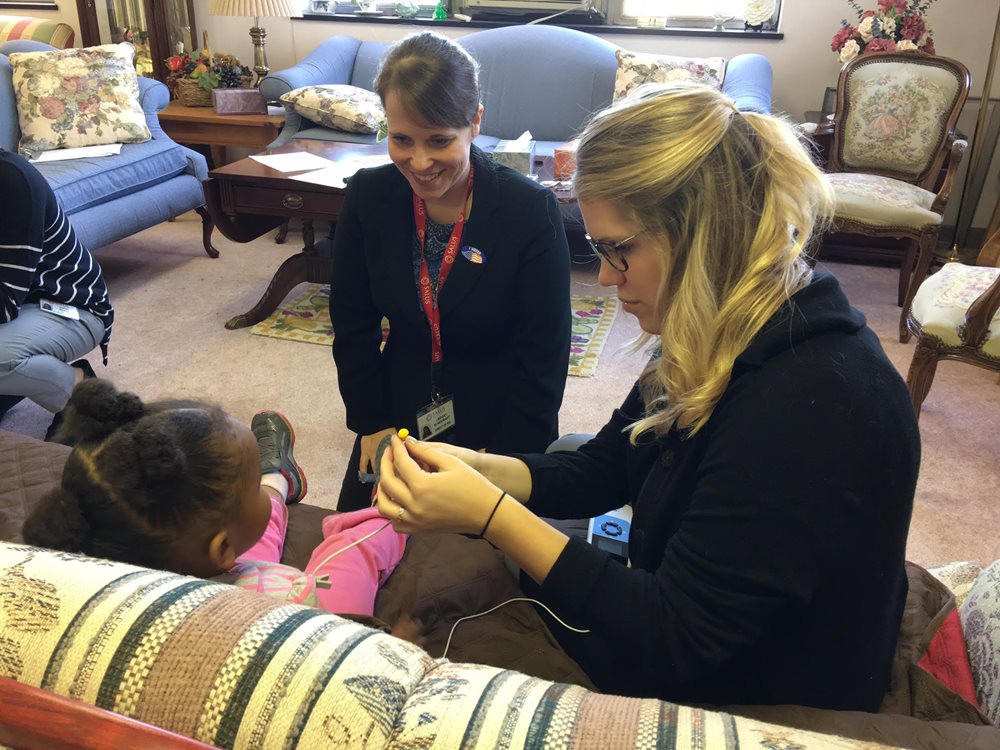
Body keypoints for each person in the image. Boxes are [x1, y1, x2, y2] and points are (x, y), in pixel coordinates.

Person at [373, 83, 921, 711]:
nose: (605, 277)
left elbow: (676, 638)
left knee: (437, 647)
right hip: (706, 634)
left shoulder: (811, 400)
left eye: (618, 250)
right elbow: (607, 464)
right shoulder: (727, 322)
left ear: (702, 234)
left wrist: (491, 515)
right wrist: (481, 468)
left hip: (766, 696)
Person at [329, 31, 571, 511]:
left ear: (475, 122)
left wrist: (502, 459)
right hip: (398, 409)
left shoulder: (529, 211)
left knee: (481, 570)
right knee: (353, 547)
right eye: (401, 139)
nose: (419, 162)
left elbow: (544, 357)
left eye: (440, 141)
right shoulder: (367, 197)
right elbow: (352, 324)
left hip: (500, 420)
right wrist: (371, 421)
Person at [22, 380, 408, 617]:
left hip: (218, 572)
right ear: (222, 551)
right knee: (352, 552)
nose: (249, 488)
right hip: (273, 601)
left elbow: (229, 537)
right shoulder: (305, 608)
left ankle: (277, 479)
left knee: (250, 534)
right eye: (252, 484)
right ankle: (391, 502)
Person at [0, 149, 113, 430]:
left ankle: (82, 393)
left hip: (70, 305)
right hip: (17, 304)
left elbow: (5, 301)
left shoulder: (12, 181)